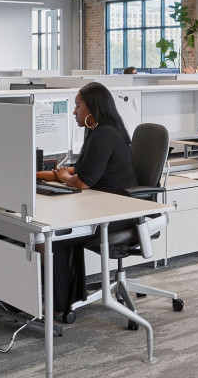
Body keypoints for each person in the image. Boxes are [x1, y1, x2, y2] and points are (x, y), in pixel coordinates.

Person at [35, 82, 137, 315]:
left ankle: (59, 307)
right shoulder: (97, 130)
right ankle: (70, 297)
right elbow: (75, 170)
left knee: (53, 240)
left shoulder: (105, 134)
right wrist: (36, 175)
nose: (74, 112)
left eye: (77, 106)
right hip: (101, 204)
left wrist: (62, 178)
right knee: (58, 233)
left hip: (118, 212)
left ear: (92, 107)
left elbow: (82, 181)